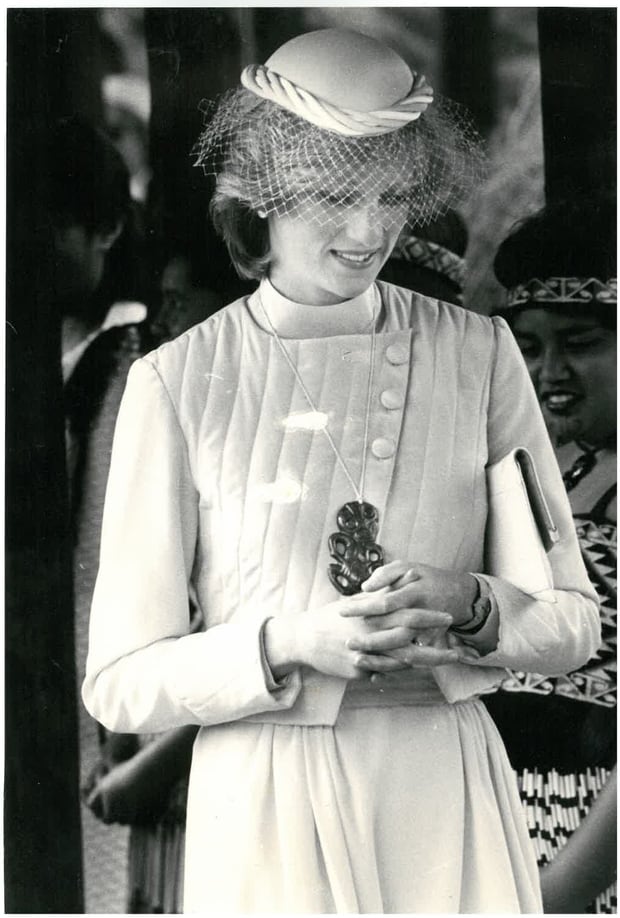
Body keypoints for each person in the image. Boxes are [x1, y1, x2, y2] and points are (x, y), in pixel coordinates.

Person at [83, 29, 600, 913]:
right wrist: (288, 643)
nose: (369, 231)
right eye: (334, 197)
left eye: (393, 198)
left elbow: (571, 628)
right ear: (265, 195)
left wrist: (471, 600)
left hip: (444, 790)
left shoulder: (478, 354)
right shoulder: (178, 381)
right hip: (262, 801)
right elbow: (122, 682)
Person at [486, 198, 616, 913]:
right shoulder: (522, 469)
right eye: (530, 348)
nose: (551, 370)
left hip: (594, 847)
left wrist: (568, 888)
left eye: (579, 341)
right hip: (499, 817)